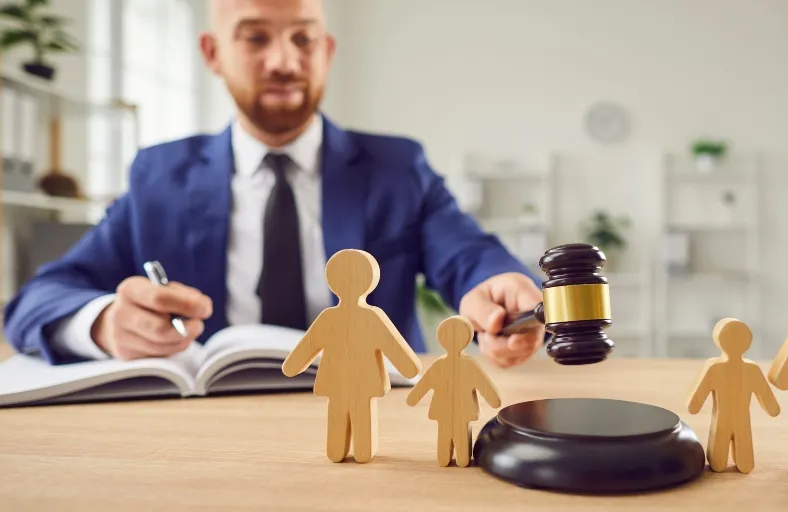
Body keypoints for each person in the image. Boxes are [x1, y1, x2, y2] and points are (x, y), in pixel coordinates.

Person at [1, 0, 545, 369]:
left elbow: (470, 255)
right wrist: (101, 325)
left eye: (303, 39)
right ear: (213, 54)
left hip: (375, 419)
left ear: (327, 52)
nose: (285, 61)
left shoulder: (398, 167)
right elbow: (38, 300)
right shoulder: (158, 177)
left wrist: (497, 288)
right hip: (207, 434)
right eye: (256, 37)